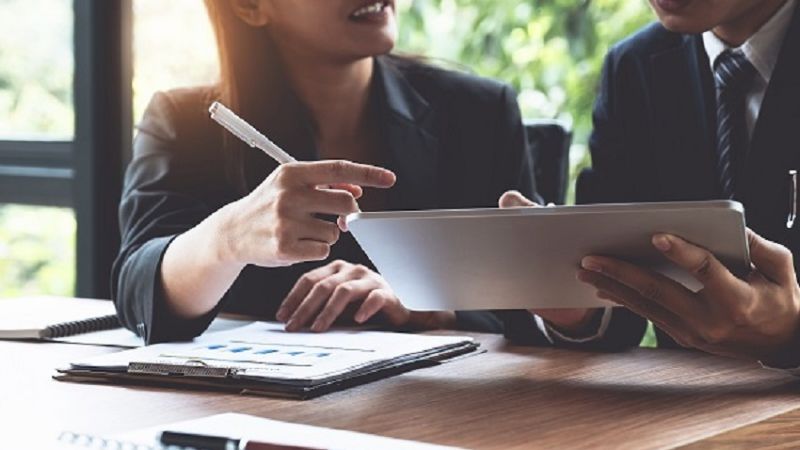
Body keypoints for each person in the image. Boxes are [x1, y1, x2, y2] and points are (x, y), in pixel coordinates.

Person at [112, 0, 537, 344]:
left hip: (443, 411)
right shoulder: (187, 122)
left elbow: (539, 305)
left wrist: (430, 305)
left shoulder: (480, 113)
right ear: (249, 7)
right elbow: (137, 294)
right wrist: (226, 239)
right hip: (256, 409)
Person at [499, 0, 800, 369]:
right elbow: (619, 310)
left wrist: (791, 336)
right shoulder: (635, 67)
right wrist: (577, 304)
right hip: (682, 407)